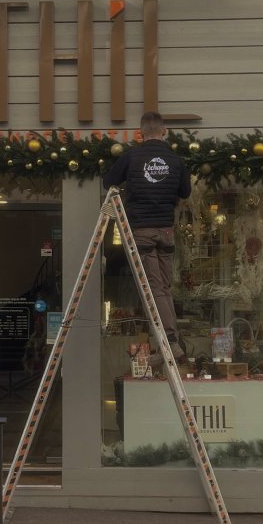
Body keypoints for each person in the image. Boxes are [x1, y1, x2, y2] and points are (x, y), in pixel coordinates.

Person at [103, 111, 191, 365]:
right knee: (163, 287)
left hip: (141, 231)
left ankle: (170, 342)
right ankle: (168, 344)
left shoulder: (132, 156)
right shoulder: (175, 159)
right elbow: (185, 191)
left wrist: (129, 187)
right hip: (166, 232)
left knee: (153, 289)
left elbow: (108, 181)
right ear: (164, 131)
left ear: (140, 132)